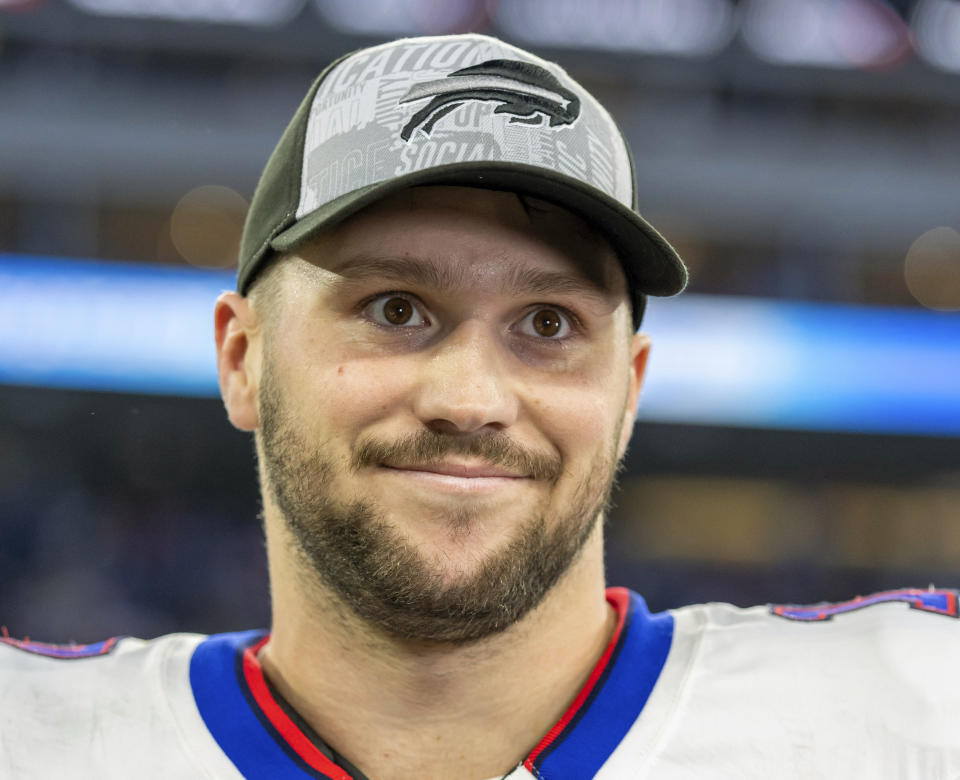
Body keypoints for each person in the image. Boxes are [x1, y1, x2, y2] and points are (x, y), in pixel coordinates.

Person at [2, 32, 958, 780]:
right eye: (395, 308)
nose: (470, 399)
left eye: (547, 322)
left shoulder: (919, 711)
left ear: (628, 389)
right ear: (242, 358)